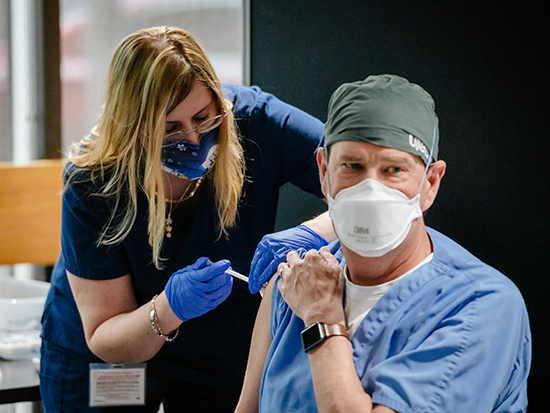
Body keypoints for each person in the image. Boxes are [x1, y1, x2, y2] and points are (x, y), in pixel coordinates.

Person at [39, 26, 331, 412]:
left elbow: (364, 181)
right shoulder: (95, 182)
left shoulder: (255, 122)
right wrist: (169, 308)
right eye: (171, 128)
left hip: (217, 348)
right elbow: (104, 332)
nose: (194, 139)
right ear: (134, 129)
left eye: (203, 117)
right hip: (111, 354)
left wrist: (307, 234)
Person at [235, 74, 531, 412]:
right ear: (323, 172)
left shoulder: (479, 306)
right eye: (353, 166)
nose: (371, 189)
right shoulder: (294, 285)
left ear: (430, 183)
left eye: (393, 170)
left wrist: (321, 315)